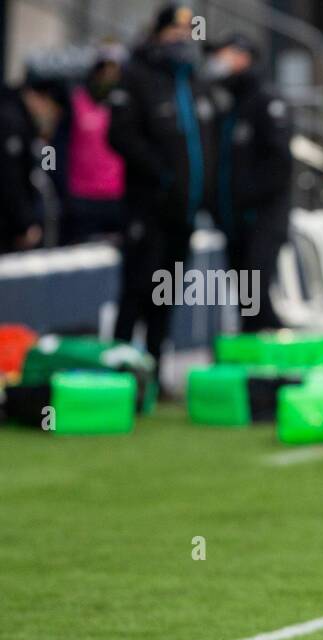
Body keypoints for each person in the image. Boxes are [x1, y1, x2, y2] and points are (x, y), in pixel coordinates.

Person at [108, 4, 215, 376]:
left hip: (181, 213)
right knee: (136, 289)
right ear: (157, 33)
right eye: (174, 31)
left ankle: (152, 371)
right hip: (147, 208)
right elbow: (119, 134)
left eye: (188, 31)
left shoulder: (193, 79)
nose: (182, 38)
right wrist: (162, 175)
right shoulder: (137, 76)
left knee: (165, 293)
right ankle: (120, 371)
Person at [207, 34, 292, 332]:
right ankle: (255, 363)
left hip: (261, 219)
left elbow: (279, 163)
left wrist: (247, 199)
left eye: (225, 54)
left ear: (244, 57)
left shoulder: (266, 100)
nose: (219, 62)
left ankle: (270, 366)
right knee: (247, 298)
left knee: (256, 295)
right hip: (236, 221)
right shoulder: (231, 103)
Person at [63, 44, 127, 245]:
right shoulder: (76, 102)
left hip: (118, 197)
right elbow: (59, 149)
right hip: (82, 198)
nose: (109, 76)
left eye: (114, 71)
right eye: (104, 70)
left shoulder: (128, 104)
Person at [0, 76, 62, 253]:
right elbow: (9, 177)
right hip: (11, 220)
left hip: (33, 209)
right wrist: (24, 222)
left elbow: (48, 170)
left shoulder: (34, 131)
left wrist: (46, 139)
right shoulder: (11, 121)